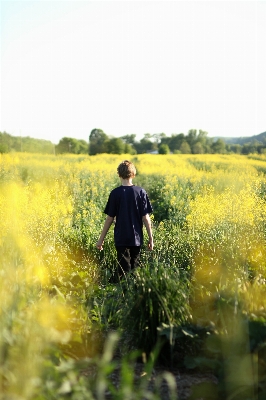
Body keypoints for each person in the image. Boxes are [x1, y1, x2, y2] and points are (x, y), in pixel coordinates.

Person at [96, 160, 153, 279]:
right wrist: (151, 239)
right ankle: (135, 293)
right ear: (133, 174)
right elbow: (146, 218)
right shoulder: (140, 192)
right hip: (136, 238)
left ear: (119, 175)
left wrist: (101, 240)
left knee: (123, 270)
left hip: (121, 238)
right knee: (135, 269)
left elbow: (109, 219)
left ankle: (124, 294)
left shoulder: (115, 193)